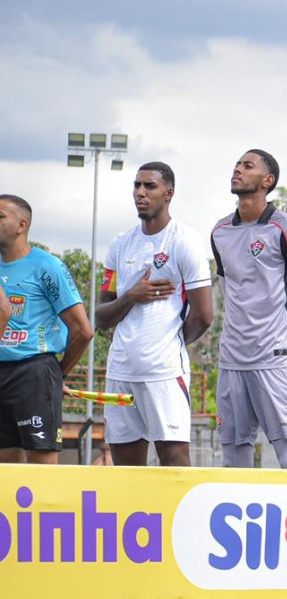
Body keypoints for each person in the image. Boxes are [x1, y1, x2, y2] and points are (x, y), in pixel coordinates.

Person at [95, 162, 213, 467]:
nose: (140, 193)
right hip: (121, 371)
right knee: (126, 470)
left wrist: (168, 344)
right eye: (137, 186)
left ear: (168, 193)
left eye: (150, 186)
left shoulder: (184, 240)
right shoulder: (120, 244)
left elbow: (204, 315)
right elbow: (101, 317)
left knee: (174, 464)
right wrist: (131, 296)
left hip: (164, 373)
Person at [210, 150, 287, 469]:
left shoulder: (286, 228)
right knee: (233, 457)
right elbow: (229, 290)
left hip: (272, 358)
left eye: (248, 166)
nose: (238, 170)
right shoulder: (219, 231)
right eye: (237, 165)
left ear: (267, 181)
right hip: (231, 359)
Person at [0, 194, 93, 464]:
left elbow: (83, 330)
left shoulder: (47, 266)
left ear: (22, 225)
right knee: (6, 469)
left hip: (34, 372)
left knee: (42, 469)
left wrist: (57, 374)